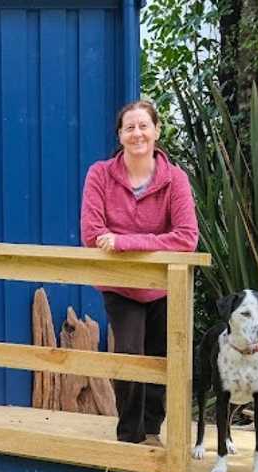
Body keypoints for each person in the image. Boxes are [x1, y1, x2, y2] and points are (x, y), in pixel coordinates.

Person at [79, 100, 199, 445]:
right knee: (130, 353)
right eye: (129, 127)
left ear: (157, 131)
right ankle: (130, 434)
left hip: (164, 284)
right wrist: (143, 243)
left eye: (144, 126)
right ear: (120, 135)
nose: (137, 133)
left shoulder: (175, 179)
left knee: (161, 357)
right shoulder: (100, 174)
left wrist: (123, 241)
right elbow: (91, 234)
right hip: (120, 283)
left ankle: (152, 431)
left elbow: (187, 238)